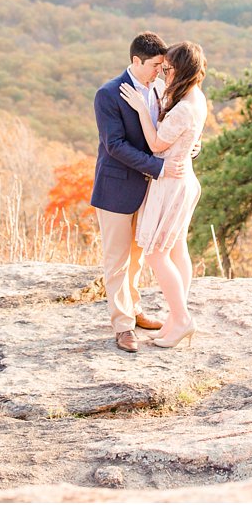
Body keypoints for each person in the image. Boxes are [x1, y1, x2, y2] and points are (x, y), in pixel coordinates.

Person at [118, 40, 207, 349]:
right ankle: (174, 319)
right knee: (177, 249)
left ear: (180, 70)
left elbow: (156, 146)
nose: (163, 73)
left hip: (172, 184)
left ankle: (182, 319)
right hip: (182, 180)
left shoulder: (183, 107)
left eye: (167, 68)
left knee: (156, 253)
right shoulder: (195, 97)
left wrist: (143, 110)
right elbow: (186, 139)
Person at [90, 32, 171, 353]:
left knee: (138, 257)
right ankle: (122, 325)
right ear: (136, 61)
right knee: (117, 260)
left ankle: (135, 310)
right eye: (154, 65)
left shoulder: (161, 89)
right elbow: (115, 145)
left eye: (162, 66)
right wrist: (159, 167)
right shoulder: (108, 94)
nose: (159, 72)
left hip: (151, 191)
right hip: (116, 188)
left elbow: (166, 131)